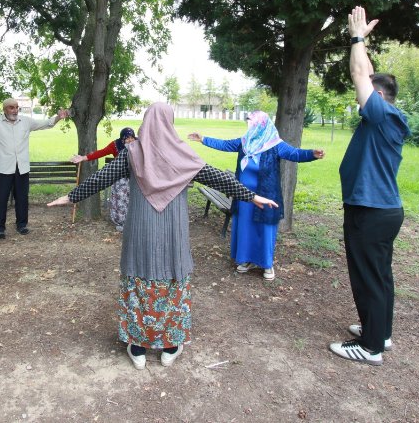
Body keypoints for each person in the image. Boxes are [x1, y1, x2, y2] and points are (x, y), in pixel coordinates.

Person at [47, 103, 278, 370]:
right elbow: (216, 177)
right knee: (171, 281)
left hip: (139, 233)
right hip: (173, 234)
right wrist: (252, 196)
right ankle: (170, 345)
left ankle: (137, 346)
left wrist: (71, 197)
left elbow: (101, 178)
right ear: (169, 123)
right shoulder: (182, 154)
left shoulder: (132, 153)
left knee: (139, 281)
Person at [328, 6, 411, 366]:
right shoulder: (385, 118)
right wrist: (363, 48)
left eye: (364, 92)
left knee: (368, 278)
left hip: (371, 211)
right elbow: (364, 71)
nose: (358, 97)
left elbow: (360, 72)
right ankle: (380, 332)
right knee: (379, 275)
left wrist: (358, 38)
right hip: (379, 210)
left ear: (376, 96)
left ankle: (371, 347)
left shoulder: (380, 114)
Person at [188, 112, 324, 281]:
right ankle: (246, 260)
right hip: (244, 196)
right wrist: (203, 139)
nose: (249, 126)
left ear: (261, 125)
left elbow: (294, 154)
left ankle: (267, 264)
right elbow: (225, 144)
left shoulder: (275, 144)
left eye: (251, 123)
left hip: (265, 195)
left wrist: (312, 154)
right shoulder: (245, 143)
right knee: (245, 228)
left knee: (265, 229)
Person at [0, 100, 71, 239]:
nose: (15, 110)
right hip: (1, 169)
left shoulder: (26, 122)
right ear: (4, 109)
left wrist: (58, 117)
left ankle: (22, 225)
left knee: (22, 198)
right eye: (11, 108)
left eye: (16, 108)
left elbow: (47, 123)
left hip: (21, 168)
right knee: (0, 199)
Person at [70, 127, 137, 231]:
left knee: (133, 200)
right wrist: (83, 158)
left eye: (132, 138)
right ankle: (121, 223)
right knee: (120, 200)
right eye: (127, 138)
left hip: (135, 178)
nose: (130, 140)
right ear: (122, 139)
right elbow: (101, 152)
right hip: (120, 178)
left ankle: (133, 221)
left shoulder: (139, 144)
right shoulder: (115, 145)